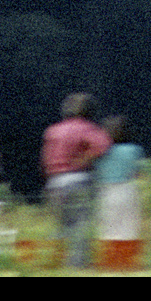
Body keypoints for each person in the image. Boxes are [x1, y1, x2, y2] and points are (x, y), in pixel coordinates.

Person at [41, 93, 112, 268]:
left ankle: (54, 263)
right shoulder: (87, 128)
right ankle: (78, 267)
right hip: (79, 179)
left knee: (62, 225)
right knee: (80, 225)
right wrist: (86, 159)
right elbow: (104, 146)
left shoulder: (53, 130)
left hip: (55, 182)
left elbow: (45, 159)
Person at [96, 116, 144, 242]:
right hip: (127, 190)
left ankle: (110, 259)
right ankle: (127, 259)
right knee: (129, 229)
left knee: (108, 228)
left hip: (105, 192)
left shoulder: (100, 152)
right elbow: (138, 173)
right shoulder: (133, 150)